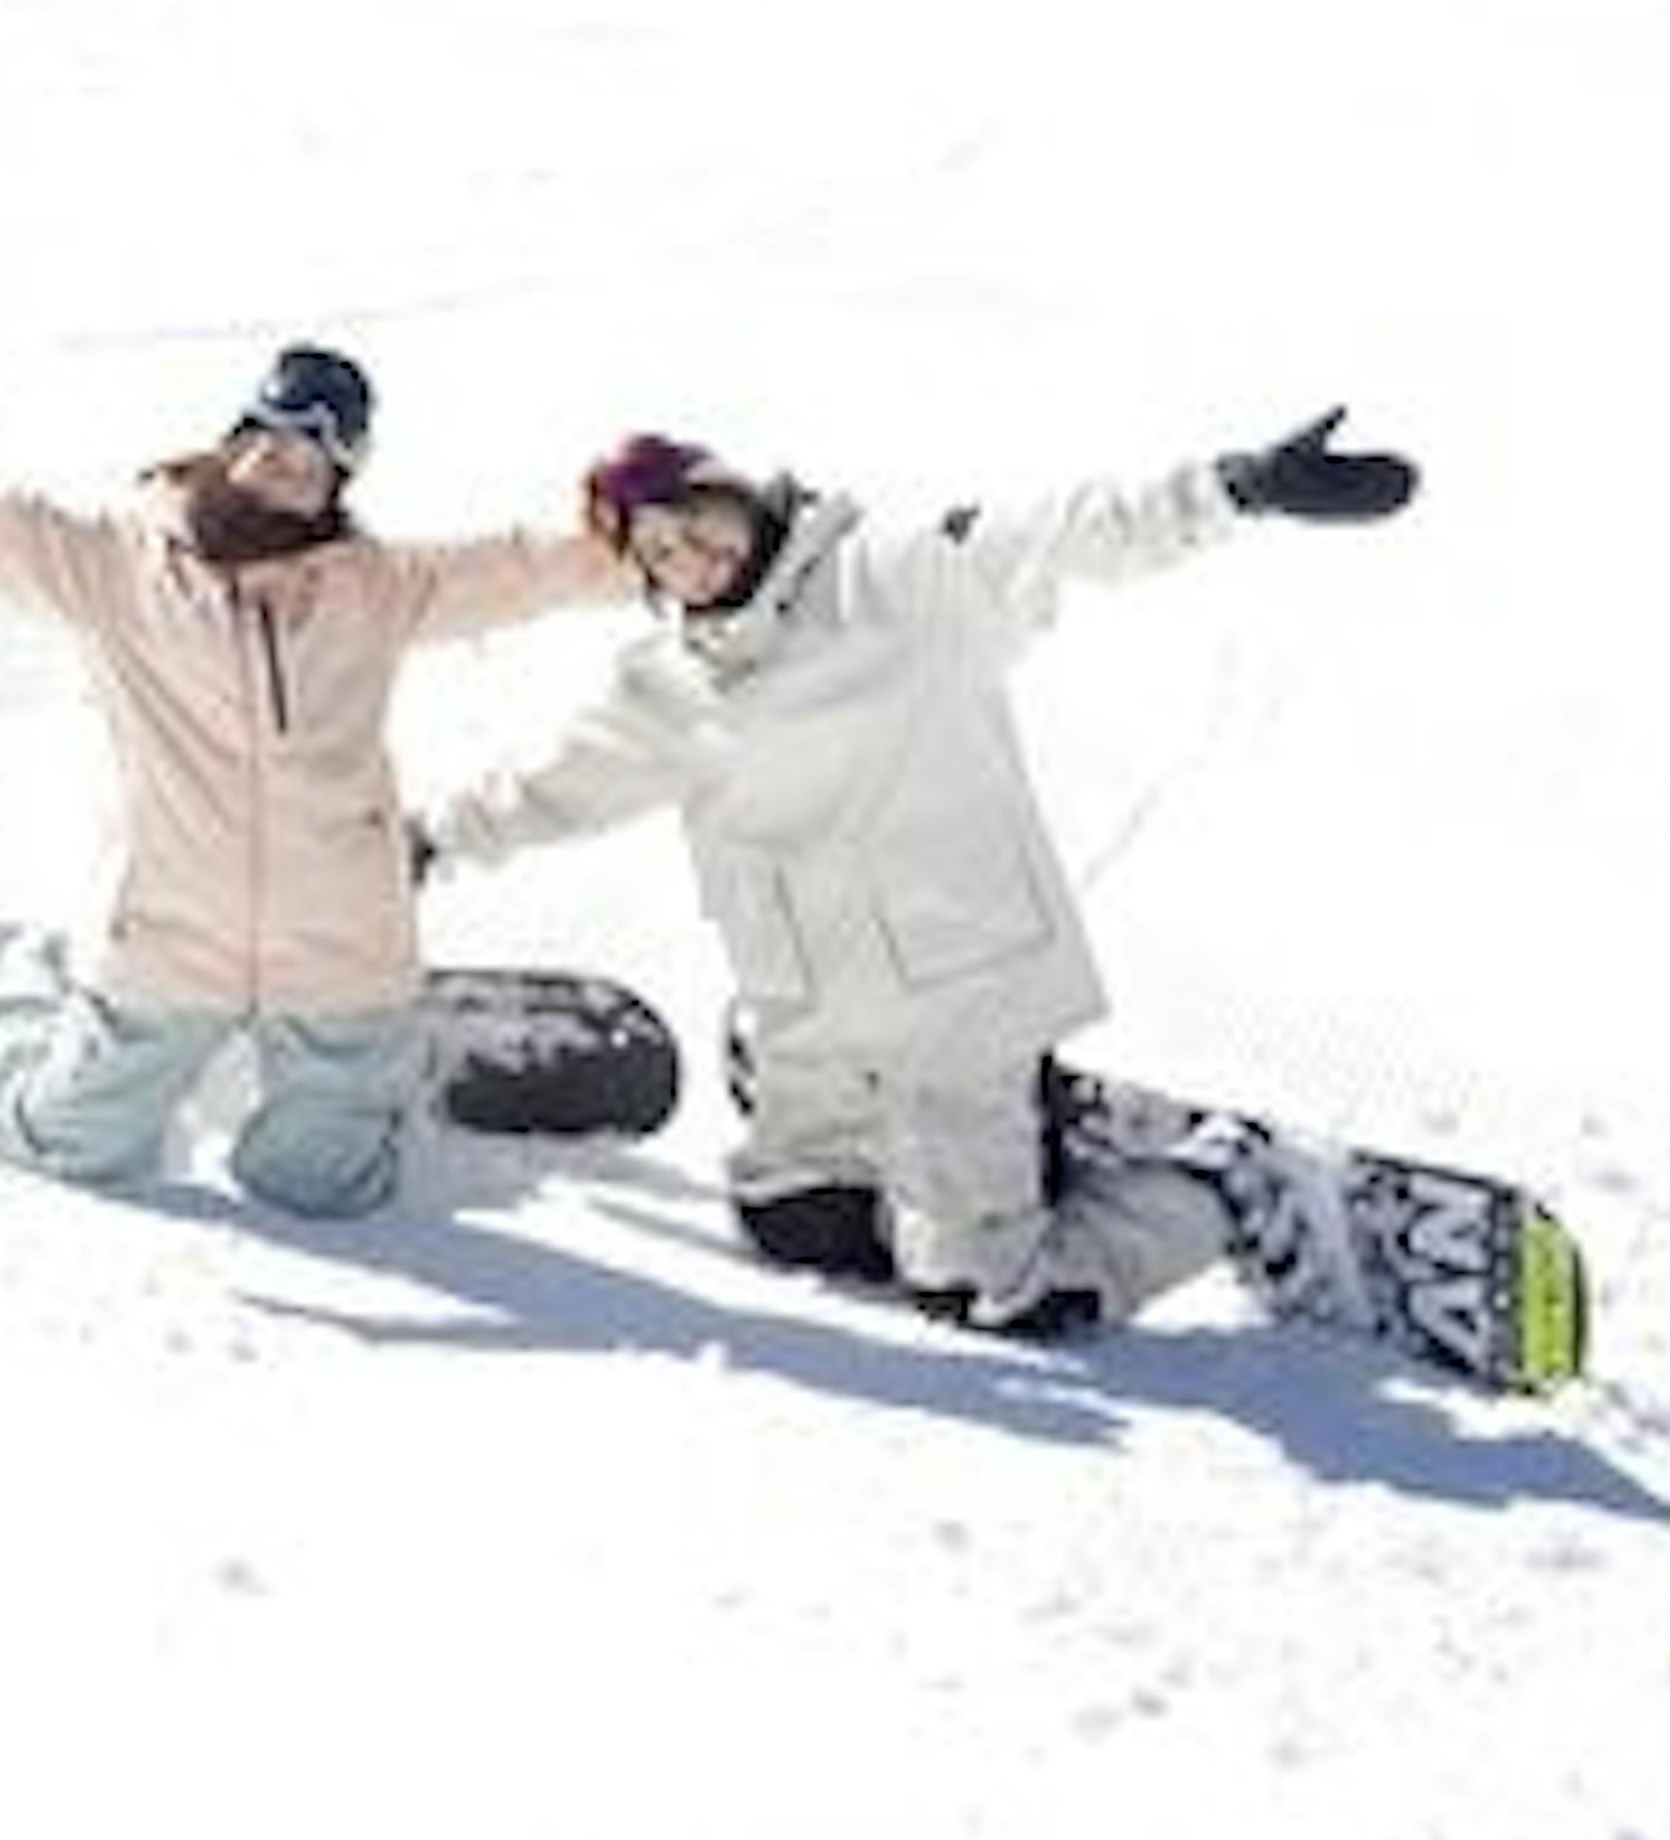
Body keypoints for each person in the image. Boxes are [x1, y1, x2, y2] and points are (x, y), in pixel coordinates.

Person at [413, 404, 1422, 1338]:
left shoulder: (890, 578)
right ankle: (978, 1148)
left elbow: (1066, 531)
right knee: (797, 1222)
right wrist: (431, 840)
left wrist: (1235, 484)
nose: (693, 556)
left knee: (987, 1292)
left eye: (694, 518)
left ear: (738, 491)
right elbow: (557, 784)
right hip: (806, 1009)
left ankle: (1215, 1187)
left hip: (957, 990)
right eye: (659, 553)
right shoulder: (672, 686)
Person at [0, 341, 616, 1218]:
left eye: (320, 445)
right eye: (275, 434)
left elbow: (535, 568)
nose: (290, 457)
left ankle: (370, 1068)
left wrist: (671, 544)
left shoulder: (377, 586)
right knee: (61, 1143)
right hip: (174, 936)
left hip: (341, 942)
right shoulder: (116, 566)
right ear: (236, 439)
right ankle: (37, 987)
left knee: (323, 1190)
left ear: (345, 470)